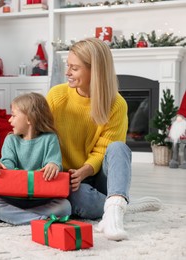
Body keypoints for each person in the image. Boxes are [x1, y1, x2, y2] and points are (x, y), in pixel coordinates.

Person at [46, 37, 162, 241]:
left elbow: (104, 150)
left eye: (74, 68)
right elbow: (43, 136)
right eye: (68, 66)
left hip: (98, 175)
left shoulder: (116, 104)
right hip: (69, 180)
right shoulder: (56, 96)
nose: (67, 73)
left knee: (119, 147)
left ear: (95, 71)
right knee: (75, 197)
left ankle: (114, 209)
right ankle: (120, 204)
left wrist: (85, 170)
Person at [0, 92, 71, 225]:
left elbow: (54, 162)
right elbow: (8, 163)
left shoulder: (50, 138)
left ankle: (19, 217)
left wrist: (53, 165)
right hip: (13, 198)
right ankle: (38, 220)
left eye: (13, 115)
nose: (9, 120)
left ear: (30, 119)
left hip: (41, 199)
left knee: (65, 206)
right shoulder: (10, 140)